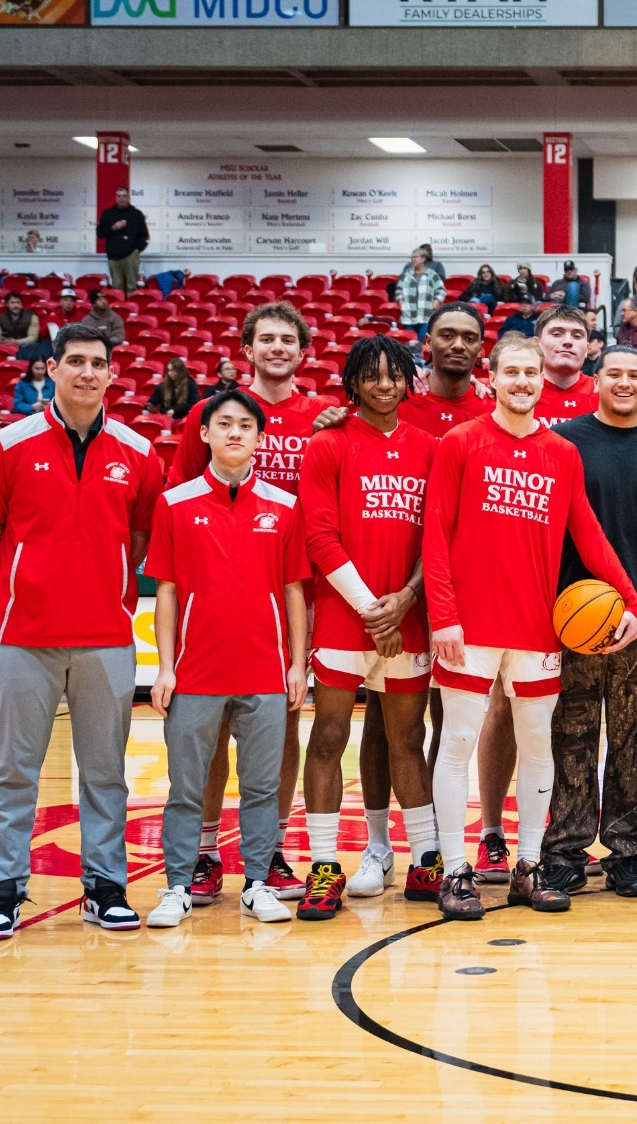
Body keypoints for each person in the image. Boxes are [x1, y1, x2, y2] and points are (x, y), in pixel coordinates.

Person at [422, 334, 637, 921]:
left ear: (544, 379)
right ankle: (456, 871)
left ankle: (527, 866)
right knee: (458, 745)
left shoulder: (560, 452)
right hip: (468, 628)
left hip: (538, 629)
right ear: (491, 378)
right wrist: (442, 615)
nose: (523, 381)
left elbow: (589, 535)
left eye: (531, 373)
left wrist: (630, 600)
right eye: (512, 372)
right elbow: (435, 537)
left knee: (539, 747)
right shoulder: (460, 443)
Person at [0, 323, 161, 940]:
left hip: (106, 635)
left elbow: (139, 537)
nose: (85, 372)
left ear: (111, 374)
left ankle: (104, 886)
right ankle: (2, 888)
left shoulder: (137, 452)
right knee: (13, 769)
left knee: (104, 771)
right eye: (73, 361)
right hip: (24, 634)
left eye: (97, 363)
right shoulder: (9, 443)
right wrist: (31, 586)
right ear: (51, 369)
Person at [168, 302, 329, 903]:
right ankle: (206, 852)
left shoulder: (322, 416)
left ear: (304, 349)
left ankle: (273, 850)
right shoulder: (210, 416)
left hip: (295, 590)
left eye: (289, 339)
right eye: (267, 339)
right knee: (207, 730)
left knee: (281, 727)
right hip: (218, 593)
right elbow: (183, 497)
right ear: (247, 348)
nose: (278, 348)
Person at [144, 388, 310, 928]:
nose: (235, 432)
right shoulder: (174, 503)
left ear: (260, 438)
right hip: (194, 674)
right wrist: (165, 666)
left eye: (245, 425)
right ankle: (176, 886)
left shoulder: (285, 508)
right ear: (205, 434)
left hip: (264, 671)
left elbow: (293, 591)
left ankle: (257, 883)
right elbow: (165, 591)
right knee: (186, 789)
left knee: (262, 788)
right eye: (224, 424)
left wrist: (296, 664)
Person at [290, 336, 437, 921]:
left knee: (407, 741)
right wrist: (375, 612)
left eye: (394, 375)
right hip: (345, 619)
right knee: (328, 736)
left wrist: (403, 600)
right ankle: (324, 864)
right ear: (353, 383)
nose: (384, 385)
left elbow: (437, 539)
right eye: (371, 376)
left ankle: (425, 854)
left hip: (409, 618)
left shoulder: (430, 448)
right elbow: (319, 537)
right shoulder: (327, 444)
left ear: (408, 382)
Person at [546, 345, 637, 899]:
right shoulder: (564, 442)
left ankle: (628, 851)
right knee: (571, 735)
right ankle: (564, 850)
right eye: (614, 374)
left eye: (634, 375)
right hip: (571, 620)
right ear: (595, 380)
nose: (624, 383)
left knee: (635, 738)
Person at [396, 303, 492, 438]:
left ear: (480, 349)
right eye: (447, 336)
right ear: (428, 342)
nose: (458, 345)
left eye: (469, 339)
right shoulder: (396, 402)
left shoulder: (495, 411)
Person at [530, 304, 600, 432]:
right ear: (536, 344)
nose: (568, 341)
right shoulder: (515, 392)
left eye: (577, 336)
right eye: (557, 334)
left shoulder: (604, 395)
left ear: (586, 348)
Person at [96, 186, 149, 291]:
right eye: (119, 196)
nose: (121, 199)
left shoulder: (137, 214)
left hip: (131, 256)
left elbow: (144, 236)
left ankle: (131, 308)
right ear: (115, 198)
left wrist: (137, 250)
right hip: (113, 257)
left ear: (129, 198)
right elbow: (100, 233)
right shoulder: (108, 213)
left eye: (124, 196)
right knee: (117, 287)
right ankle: (118, 307)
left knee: (132, 287)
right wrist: (113, 227)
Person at [395, 249, 444, 340]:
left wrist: (435, 303)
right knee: (410, 344)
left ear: (423, 259)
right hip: (408, 316)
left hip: (426, 316)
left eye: (415, 257)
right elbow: (398, 291)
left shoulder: (432, 275)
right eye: (412, 257)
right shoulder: (406, 275)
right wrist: (401, 303)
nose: (413, 259)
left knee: (423, 343)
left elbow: (441, 291)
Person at [147, 357, 200, 421]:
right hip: (166, 419)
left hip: (184, 418)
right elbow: (152, 401)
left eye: (172, 370)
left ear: (180, 371)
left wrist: (175, 410)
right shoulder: (163, 385)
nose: (170, 373)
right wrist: (150, 406)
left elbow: (194, 404)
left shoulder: (190, 383)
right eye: (169, 370)